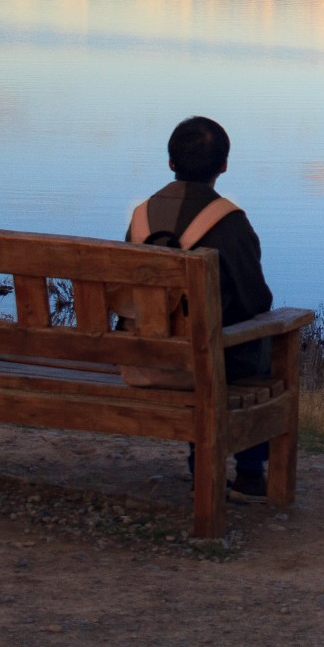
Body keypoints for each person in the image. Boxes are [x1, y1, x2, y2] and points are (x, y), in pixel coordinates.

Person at [127, 116, 276, 503]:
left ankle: (202, 471)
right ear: (223, 165)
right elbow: (257, 302)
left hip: (145, 358)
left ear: (171, 162)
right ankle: (249, 472)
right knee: (268, 344)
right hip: (208, 364)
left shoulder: (141, 217)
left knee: (207, 344)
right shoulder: (231, 223)